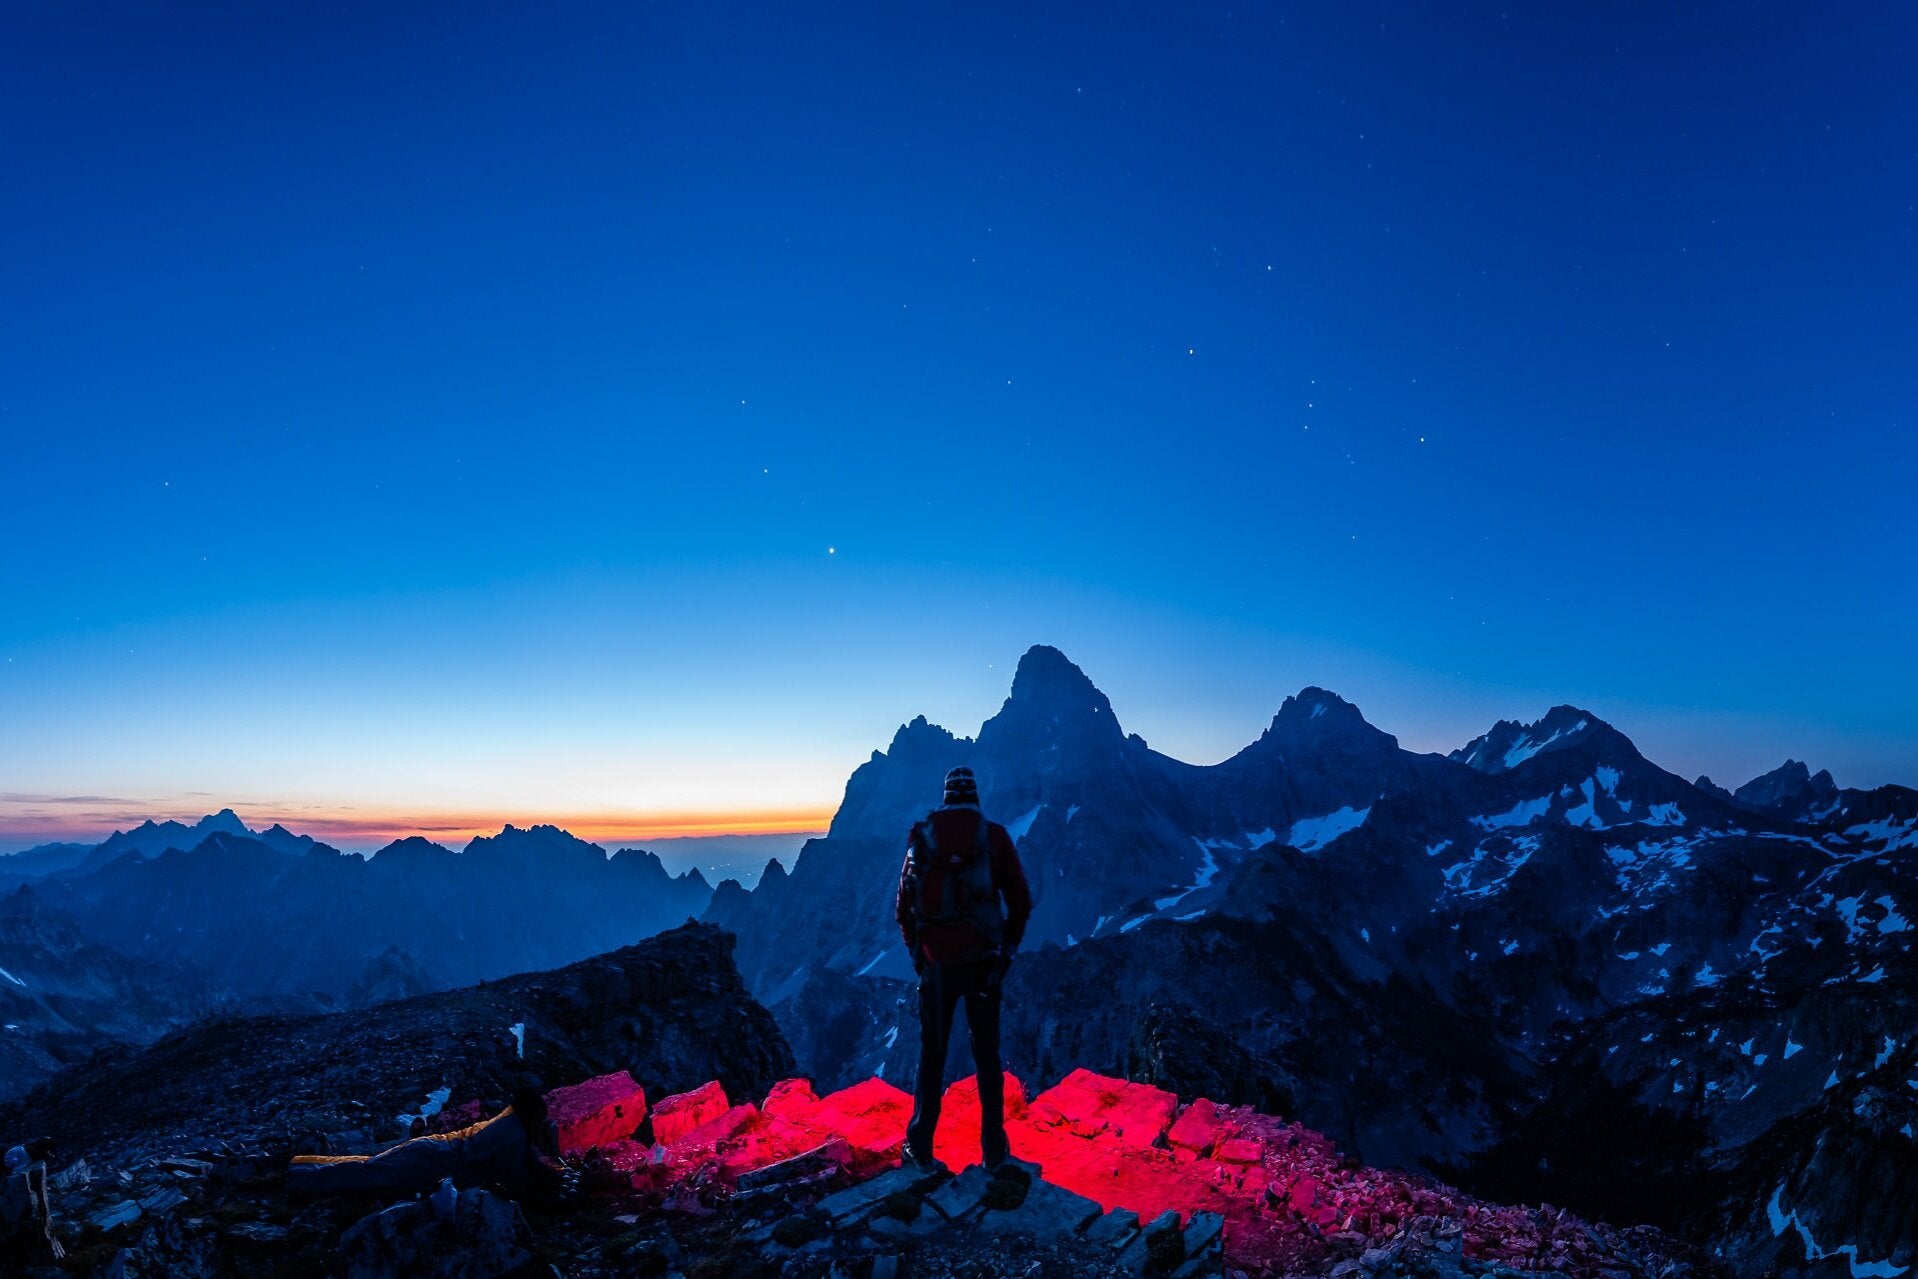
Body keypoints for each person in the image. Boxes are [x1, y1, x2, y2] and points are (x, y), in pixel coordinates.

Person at [894, 765, 1033, 1170]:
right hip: (983, 964)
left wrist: (920, 955)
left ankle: (920, 1145)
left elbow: (903, 906)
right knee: (987, 1055)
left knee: (931, 1052)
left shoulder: (921, 838)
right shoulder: (994, 837)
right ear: (975, 795)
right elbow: (1021, 902)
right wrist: (1005, 953)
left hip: (936, 965)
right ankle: (993, 1150)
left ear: (946, 796)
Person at [286, 1085, 562, 1199]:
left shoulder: (508, 1125)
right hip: (429, 1163)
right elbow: (519, 1181)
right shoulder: (513, 1136)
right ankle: (298, 1178)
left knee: (368, 1167)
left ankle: (301, 1169)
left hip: (430, 1153)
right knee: (369, 1174)